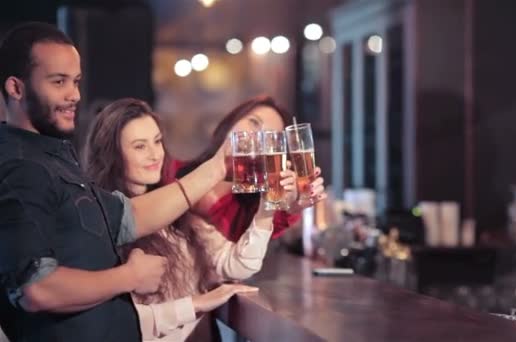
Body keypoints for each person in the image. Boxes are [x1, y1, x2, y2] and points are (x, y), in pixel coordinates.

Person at [0, 22, 226, 341]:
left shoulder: (51, 157)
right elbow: (37, 289)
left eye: (76, 82)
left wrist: (218, 167)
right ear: (16, 88)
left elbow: (130, 216)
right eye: (59, 82)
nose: (74, 95)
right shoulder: (20, 166)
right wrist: (128, 277)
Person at [84, 98, 275, 341]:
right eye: (140, 146)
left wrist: (268, 206)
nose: (155, 154)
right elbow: (114, 323)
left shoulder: (177, 214)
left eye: (157, 141)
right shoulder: (101, 221)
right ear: (112, 155)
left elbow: (239, 264)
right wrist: (198, 303)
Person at [173, 95, 327, 243]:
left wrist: (290, 205)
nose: (257, 137)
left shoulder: (251, 210)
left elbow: (264, 231)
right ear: (232, 121)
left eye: (268, 136)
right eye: (254, 122)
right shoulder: (170, 171)